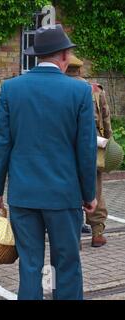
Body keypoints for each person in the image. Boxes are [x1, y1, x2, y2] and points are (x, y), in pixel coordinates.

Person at [0, 25, 97, 300]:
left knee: (30, 265)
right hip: (64, 195)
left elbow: (1, 145)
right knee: (67, 264)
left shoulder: (11, 88)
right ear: (62, 55)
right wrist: (89, 194)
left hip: (24, 196)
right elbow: (86, 149)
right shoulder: (79, 91)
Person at [66, 55, 112, 247]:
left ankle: (73, 234)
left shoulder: (61, 88)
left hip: (66, 143)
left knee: (70, 186)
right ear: (80, 70)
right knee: (95, 186)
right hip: (93, 142)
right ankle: (97, 232)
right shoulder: (95, 89)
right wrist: (108, 141)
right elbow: (106, 119)